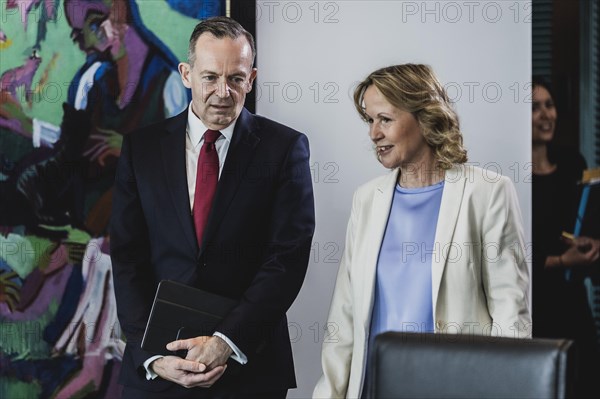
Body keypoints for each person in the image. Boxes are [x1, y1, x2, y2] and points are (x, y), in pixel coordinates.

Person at [110, 16, 315, 398]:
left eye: (236, 79)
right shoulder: (141, 149)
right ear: (186, 74)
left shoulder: (284, 149)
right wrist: (152, 356)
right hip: (158, 372)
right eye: (210, 77)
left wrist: (225, 340)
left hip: (247, 369)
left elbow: (287, 258)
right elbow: (127, 259)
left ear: (251, 79)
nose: (223, 92)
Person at [313, 64, 531, 399]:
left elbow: (510, 315)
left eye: (385, 119)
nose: (373, 133)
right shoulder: (367, 200)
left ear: (424, 116)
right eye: (370, 121)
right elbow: (343, 323)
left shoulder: (488, 193)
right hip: (375, 388)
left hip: (458, 388)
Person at [531, 77, 600, 397]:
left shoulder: (574, 163)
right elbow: (507, 254)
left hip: (574, 307)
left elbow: (583, 225)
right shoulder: (508, 178)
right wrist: (560, 260)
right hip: (535, 313)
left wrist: (590, 244)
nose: (547, 115)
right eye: (534, 107)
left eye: (550, 104)